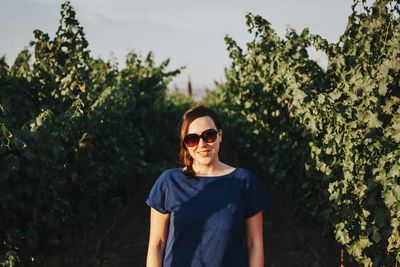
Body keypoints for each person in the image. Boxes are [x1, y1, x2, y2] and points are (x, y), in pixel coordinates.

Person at [145, 104, 270, 267]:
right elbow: (157, 244)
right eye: (192, 139)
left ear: (220, 135)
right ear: (185, 144)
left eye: (209, 135)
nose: (202, 144)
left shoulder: (244, 182)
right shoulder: (169, 182)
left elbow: (254, 243)